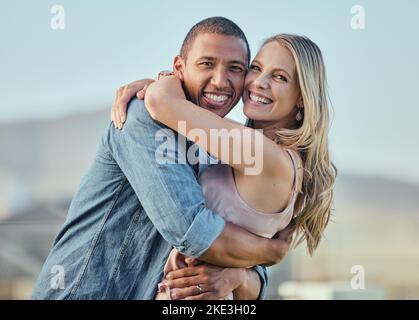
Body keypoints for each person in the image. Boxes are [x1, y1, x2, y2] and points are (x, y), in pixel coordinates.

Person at [32, 17, 293, 300]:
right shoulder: (142, 118)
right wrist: (270, 251)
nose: (220, 81)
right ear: (179, 68)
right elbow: (193, 233)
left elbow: (249, 271)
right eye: (206, 64)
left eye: (235, 69)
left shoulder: (219, 145)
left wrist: (240, 276)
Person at [112, 33, 337, 300]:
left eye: (279, 77)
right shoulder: (271, 156)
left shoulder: (265, 155)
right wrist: (255, 264)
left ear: (302, 97)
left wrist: (171, 78)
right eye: (256, 68)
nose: (259, 83)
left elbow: (162, 103)